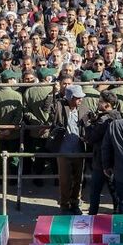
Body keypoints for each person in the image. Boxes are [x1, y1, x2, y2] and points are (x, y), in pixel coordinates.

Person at [50, 84, 86, 214]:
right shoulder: (59, 106)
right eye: (78, 98)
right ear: (70, 98)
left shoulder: (83, 109)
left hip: (78, 150)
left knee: (78, 180)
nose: (80, 100)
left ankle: (75, 203)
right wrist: (52, 93)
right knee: (65, 181)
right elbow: (48, 109)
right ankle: (64, 205)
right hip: (63, 151)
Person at [84, 91, 121, 213]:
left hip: (100, 161)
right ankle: (118, 213)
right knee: (115, 190)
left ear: (107, 105)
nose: (98, 104)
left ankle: (92, 216)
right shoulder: (118, 116)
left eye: (100, 101)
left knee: (95, 192)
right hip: (115, 160)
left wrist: (88, 124)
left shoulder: (103, 120)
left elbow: (91, 138)